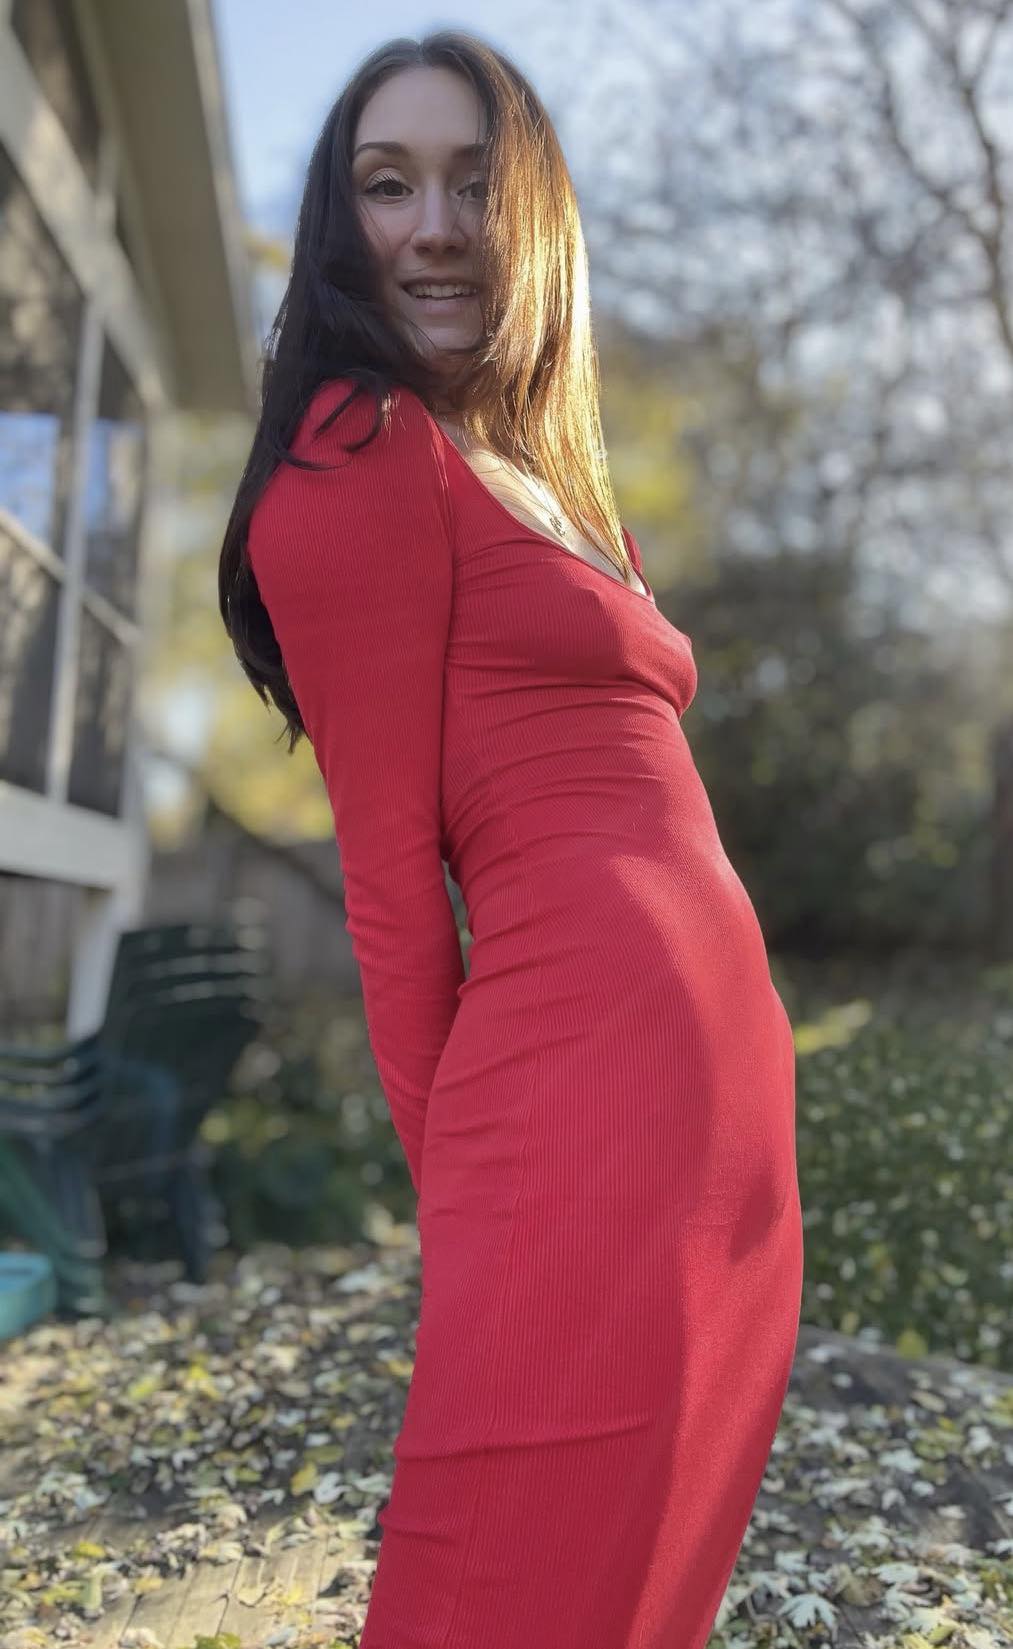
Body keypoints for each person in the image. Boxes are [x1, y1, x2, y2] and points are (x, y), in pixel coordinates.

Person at [219, 28, 803, 1649]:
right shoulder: (353, 458)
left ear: (533, 205)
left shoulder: (551, 476)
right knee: (495, 1591)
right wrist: (475, 1213)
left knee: (640, 1589)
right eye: (386, 185)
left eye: (473, 183)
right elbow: (391, 894)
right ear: (339, 224)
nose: (433, 226)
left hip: (716, 1121)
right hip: (566, 1115)